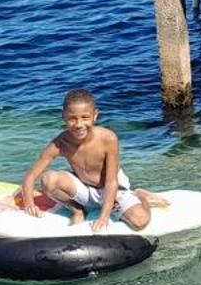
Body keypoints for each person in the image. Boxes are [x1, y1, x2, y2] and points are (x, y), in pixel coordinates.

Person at [15, 89, 168, 231]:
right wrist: (30, 205)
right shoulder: (60, 143)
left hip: (113, 190)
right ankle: (77, 210)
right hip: (84, 189)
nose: (79, 125)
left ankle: (141, 195)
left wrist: (104, 217)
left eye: (85, 118)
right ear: (63, 116)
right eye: (72, 119)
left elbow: (111, 182)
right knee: (48, 179)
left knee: (140, 222)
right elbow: (30, 176)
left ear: (95, 115)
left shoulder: (108, 138)